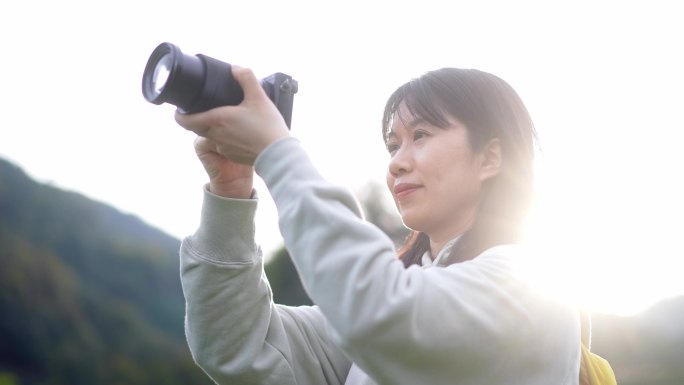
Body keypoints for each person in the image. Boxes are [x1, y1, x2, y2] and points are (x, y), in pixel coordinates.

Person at [174, 66, 580, 385]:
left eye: (421, 134)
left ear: (490, 158)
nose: (397, 162)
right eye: (393, 144)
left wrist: (276, 154)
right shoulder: (407, 287)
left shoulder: (528, 288)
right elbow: (237, 347)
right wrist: (230, 190)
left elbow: (382, 312)